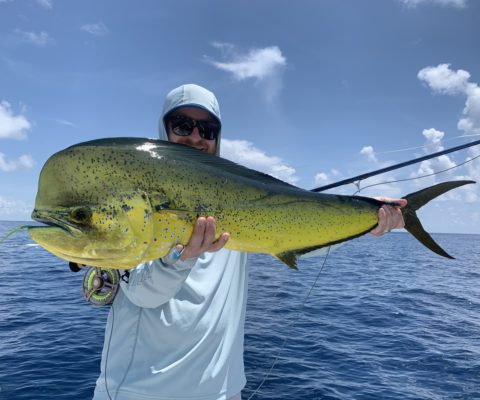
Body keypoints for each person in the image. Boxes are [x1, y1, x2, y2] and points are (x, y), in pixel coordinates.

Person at [92, 84, 405, 400]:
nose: (196, 137)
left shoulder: (236, 199)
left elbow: (299, 230)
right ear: (164, 129)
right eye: (183, 125)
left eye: (208, 129)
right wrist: (179, 257)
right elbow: (144, 292)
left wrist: (368, 217)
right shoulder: (133, 198)